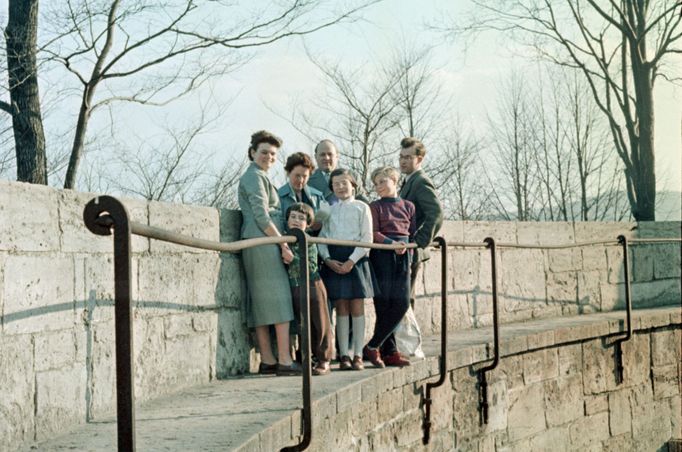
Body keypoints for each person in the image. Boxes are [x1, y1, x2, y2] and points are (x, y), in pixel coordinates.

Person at [238, 130, 300, 376]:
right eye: (264, 152)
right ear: (253, 152)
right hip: (262, 241)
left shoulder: (259, 176)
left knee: (263, 304)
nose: (269, 157)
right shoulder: (253, 177)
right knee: (279, 300)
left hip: (261, 242)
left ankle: (268, 360)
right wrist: (282, 244)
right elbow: (261, 215)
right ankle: (283, 359)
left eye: (273, 154)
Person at [318, 168, 374, 371]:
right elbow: (322, 238)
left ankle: (357, 354)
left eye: (344, 183)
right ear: (331, 188)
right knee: (341, 307)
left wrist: (351, 261)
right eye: (336, 184)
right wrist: (328, 259)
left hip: (356, 259)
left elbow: (367, 238)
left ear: (353, 185)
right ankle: (343, 355)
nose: (341, 187)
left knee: (356, 306)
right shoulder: (328, 209)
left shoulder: (361, 207)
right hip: (334, 259)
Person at [363, 167, 416, 368]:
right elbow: (373, 232)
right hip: (382, 255)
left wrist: (408, 253)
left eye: (383, 181)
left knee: (401, 303)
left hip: (403, 257)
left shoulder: (409, 206)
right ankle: (389, 352)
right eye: (376, 184)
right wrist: (390, 244)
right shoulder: (375, 206)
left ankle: (373, 345)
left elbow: (410, 233)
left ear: (394, 180)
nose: (379, 187)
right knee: (384, 305)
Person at [284, 203, 334, 375]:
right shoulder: (284, 239)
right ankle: (305, 356)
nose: (297, 221)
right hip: (294, 286)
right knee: (301, 323)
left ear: (308, 223)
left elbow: (311, 265)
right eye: (293, 217)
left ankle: (324, 359)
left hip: (313, 285)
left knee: (319, 322)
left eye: (301, 218)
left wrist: (293, 259)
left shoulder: (309, 240)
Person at [398, 137, 444, 307]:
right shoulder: (409, 180)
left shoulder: (420, 181)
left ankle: (408, 334)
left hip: (412, 249)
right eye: (401, 156)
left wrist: (419, 242)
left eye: (408, 157)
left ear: (419, 159)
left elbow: (436, 213)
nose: (403, 161)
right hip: (405, 249)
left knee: (405, 300)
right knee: (403, 299)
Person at [278, 152, 329, 234]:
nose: (301, 180)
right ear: (288, 173)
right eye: (297, 176)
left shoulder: (318, 196)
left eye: (304, 176)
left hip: (314, 243)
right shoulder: (278, 196)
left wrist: (319, 225)